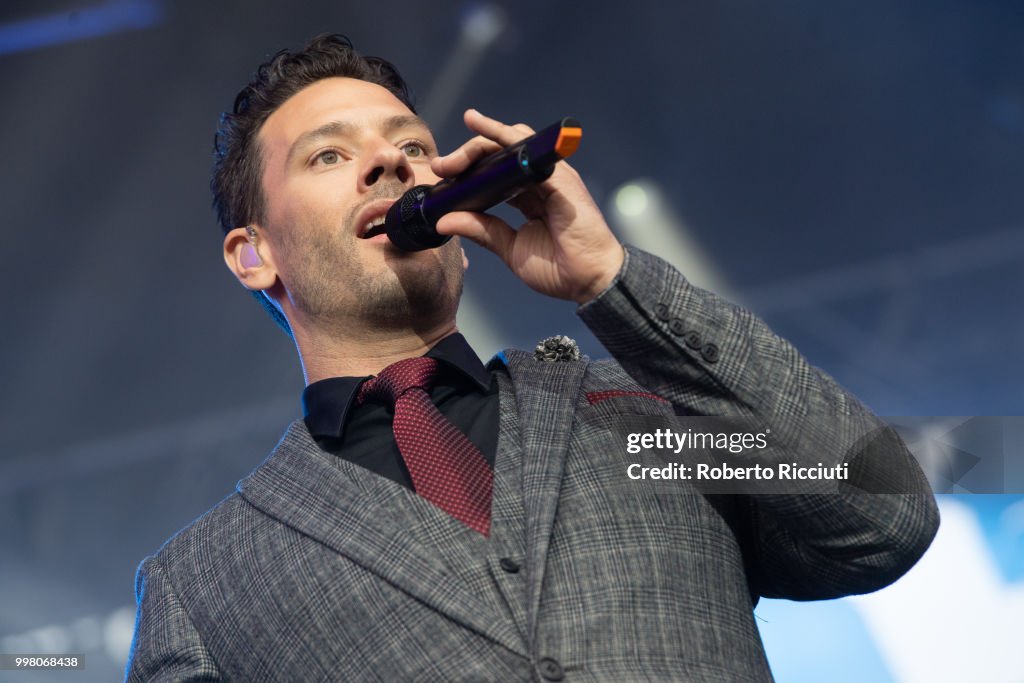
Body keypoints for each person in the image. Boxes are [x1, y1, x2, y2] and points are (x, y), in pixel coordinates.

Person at [126, 34, 939, 682]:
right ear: (252, 254)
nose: (390, 162)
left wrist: (613, 281)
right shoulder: (201, 584)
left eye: (410, 143)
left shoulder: (647, 420)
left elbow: (884, 515)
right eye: (329, 156)